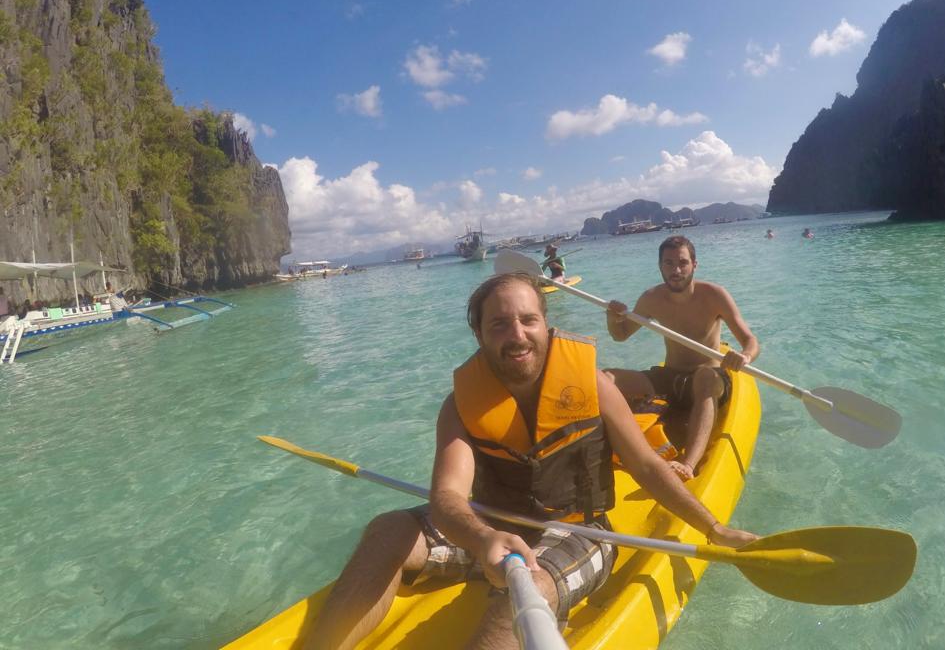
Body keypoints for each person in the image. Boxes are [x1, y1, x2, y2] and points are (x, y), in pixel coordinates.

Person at [303, 273, 756, 650]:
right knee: (390, 529)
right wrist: (482, 539)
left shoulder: (594, 384)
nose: (517, 335)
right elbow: (447, 496)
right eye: (499, 325)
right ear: (479, 335)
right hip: (492, 525)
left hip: (581, 531)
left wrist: (713, 528)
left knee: (532, 585)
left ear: (546, 326)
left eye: (528, 320)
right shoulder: (460, 404)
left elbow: (646, 466)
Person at [605, 236, 760, 482]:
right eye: (668, 263)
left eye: (682, 263)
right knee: (607, 378)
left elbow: (751, 341)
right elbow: (621, 335)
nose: (676, 270)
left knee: (705, 377)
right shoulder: (651, 298)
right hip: (670, 377)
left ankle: (688, 464)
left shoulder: (714, 295)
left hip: (709, 379)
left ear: (694, 265)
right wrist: (613, 319)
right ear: (660, 266)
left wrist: (744, 356)